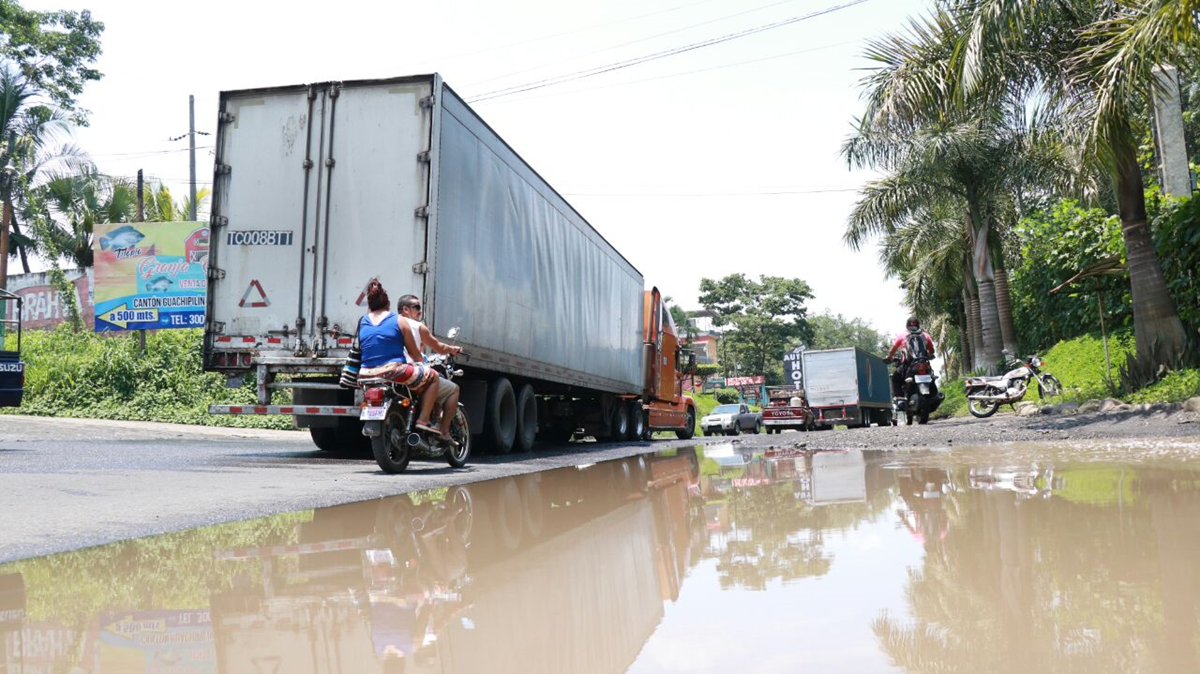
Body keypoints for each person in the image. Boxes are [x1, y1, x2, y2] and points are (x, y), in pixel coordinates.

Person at [357, 280, 443, 438]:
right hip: (394, 371)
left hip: (365, 374)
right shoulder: (399, 320)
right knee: (433, 377)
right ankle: (423, 420)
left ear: (369, 305)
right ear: (388, 303)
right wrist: (424, 365)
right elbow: (415, 354)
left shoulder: (362, 321)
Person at [396, 294, 462, 443]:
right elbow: (439, 347)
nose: (420, 311)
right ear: (405, 309)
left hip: (390, 371)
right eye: (417, 307)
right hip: (411, 373)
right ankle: (440, 430)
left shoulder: (390, 323)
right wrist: (453, 349)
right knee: (453, 389)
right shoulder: (417, 326)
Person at [886, 316, 936, 398]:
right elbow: (932, 350)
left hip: (908, 364)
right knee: (932, 377)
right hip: (924, 363)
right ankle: (935, 395)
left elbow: (893, 349)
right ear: (918, 325)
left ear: (907, 326)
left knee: (895, 379)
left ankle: (900, 398)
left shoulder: (902, 335)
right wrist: (929, 354)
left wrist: (889, 357)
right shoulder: (925, 335)